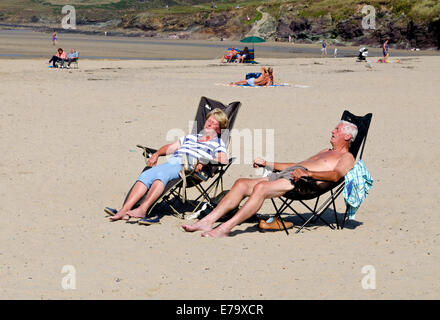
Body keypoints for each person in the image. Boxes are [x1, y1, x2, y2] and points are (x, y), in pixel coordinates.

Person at [182, 120, 358, 237]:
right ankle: (207, 222)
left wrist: (309, 174)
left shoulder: (347, 158)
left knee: (261, 189)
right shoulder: (325, 151)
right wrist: (268, 163)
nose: (332, 131)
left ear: (347, 136)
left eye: (337, 129)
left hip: (304, 184)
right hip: (291, 175)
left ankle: (225, 228)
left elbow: (336, 176)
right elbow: (296, 164)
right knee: (241, 183)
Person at [109, 109, 229, 221]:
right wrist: (156, 154)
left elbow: (223, 160)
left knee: (162, 174)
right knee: (146, 175)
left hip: (188, 168)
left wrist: (203, 161)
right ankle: (124, 210)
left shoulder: (217, 143)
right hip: (173, 162)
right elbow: (170, 148)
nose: (208, 124)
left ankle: (143, 209)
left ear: (219, 129)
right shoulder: (191, 137)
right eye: (208, 120)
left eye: (213, 123)